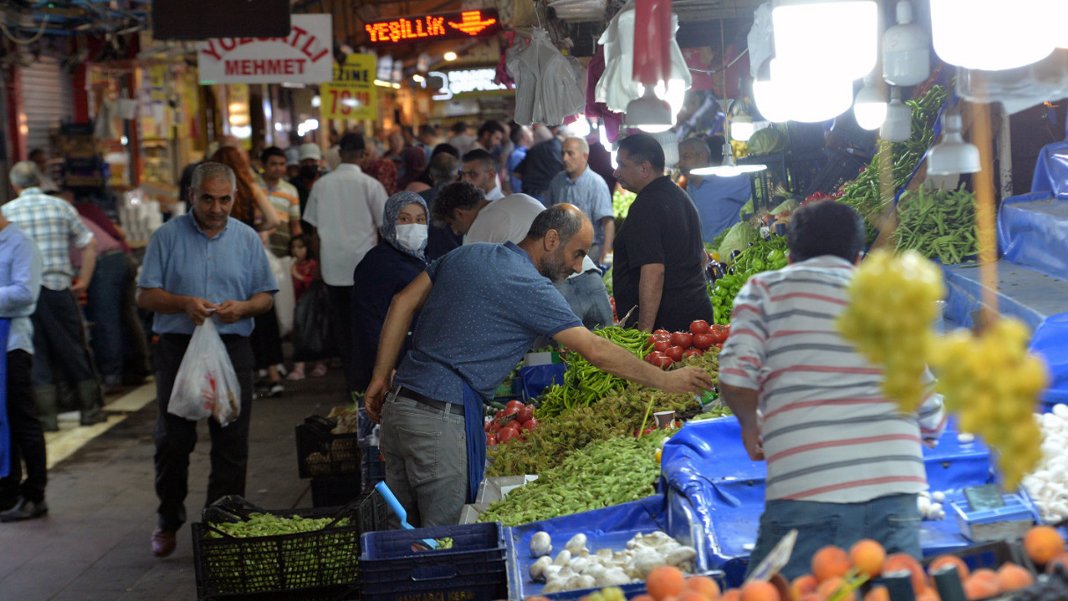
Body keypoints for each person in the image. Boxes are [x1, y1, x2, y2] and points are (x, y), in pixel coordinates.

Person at [363, 205, 714, 526]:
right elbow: (595, 350)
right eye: (577, 253)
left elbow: (401, 302)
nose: (578, 267)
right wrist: (665, 381)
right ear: (550, 240)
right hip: (440, 421)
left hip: (400, 407)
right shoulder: (529, 286)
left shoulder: (467, 254)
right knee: (444, 540)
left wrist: (379, 377)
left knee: (400, 535)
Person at [718, 201, 946, 580]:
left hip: (806, 492)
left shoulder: (765, 290)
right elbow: (927, 406)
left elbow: (736, 377)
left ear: (790, 256)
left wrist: (750, 426)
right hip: (896, 494)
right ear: (857, 257)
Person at [136, 162, 277, 558]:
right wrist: (182, 303)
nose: (216, 208)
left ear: (234, 198)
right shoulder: (166, 236)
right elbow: (144, 295)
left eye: (224, 200)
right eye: (208, 199)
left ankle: (222, 524)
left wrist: (244, 308)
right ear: (192, 195)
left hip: (232, 347)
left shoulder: (247, 239)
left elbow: (266, 296)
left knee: (231, 439)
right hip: (179, 349)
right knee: (172, 440)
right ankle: (168, 519)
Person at [2, 161, 104, 431]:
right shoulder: (61, 207)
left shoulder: (7, 212)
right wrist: (84, 280)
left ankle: (47, 418)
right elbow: (89, 244)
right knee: (72, 347)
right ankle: (90, 411)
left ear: (15, 186)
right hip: (58, 288)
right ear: (40, 181)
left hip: (22, 294)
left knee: (36, 353)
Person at [303, 133, 388, 397]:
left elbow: (313, 232)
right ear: (363, 155)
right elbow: (386, 228)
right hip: (365, 268)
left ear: (339, 154)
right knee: (367, 327)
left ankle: (352, 382)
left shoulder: (320, 186)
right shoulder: (371, 185)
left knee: (342, 329)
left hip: (332, 268)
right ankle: (369, 382)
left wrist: (319, 261)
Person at [612, 133, 713, 332]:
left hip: (667, 330)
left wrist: (644, 335)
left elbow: (653, 272)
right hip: (695, 316)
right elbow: (702, 257)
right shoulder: (680, 195)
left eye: (622, 165)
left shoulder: (646, 206)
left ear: (644, 168)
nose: (616, 173)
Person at [212, 146, 285, 396]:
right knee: (262, 309)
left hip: (222, 253)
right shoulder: (249, 186)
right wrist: (256, 229)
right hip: (248, 251)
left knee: (235, 311)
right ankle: (274, 374)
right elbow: (274, 220)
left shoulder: (216, 194)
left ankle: (248, 376)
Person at [351, 192, 430, 392]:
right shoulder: (377, 264)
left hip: (417, 360)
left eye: (420, 220)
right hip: (396, 363)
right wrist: (386, 369)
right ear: (389, 221)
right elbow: (368, 321)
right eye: (404, 219)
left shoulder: (421, 259)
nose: (414, 226)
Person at [0, 211, 46, 521]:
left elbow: (26, 292)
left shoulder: (20, 243)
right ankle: (8, 490)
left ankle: (35, 493)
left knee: (22, 418)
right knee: (3, 420)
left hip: (13, 345)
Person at [72, 214, 128, 393]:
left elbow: (91, 244)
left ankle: (112, 377)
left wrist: (83, 283)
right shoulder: (66, 210)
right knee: (116, 318)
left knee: (104, 320)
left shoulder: (61, 212)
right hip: (114, 257)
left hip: (105, 260)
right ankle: (126, 371)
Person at [545, 137, 615, 266]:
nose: (565, 158)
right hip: (560, 251)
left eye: (570, 153)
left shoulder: (596, 183)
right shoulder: (557, 181)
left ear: (585, 156)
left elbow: (607, 222)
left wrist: (606, 253)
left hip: (590, 252)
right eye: (563, 154)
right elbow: (547, 216)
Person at [677, 137, 751, 244]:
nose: (680, 164)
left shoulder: (729, 177)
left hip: (736, 254)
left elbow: (760, 201)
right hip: (707, 257)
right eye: (679, 159)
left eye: (686, 157)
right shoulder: (689, 187)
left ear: (702, 157)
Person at [432, 182, 544, 245]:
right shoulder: (520, 198)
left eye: (451, 224)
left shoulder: (478, 231)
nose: (455, 232)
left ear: (459, 214)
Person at [287, 235, 328, 381]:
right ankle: (299, 368)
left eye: (300, 247)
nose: (296, 251)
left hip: (311, 308)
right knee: (297, 337)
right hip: (295, 306)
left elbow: (313, 283)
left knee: (315, 335)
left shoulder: (311, 266)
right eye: (293, 247)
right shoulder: (291, 265)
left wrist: (297, 275)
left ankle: (319, 363)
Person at [259, 146, 303, 257]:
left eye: (282, 164)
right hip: (257, 248)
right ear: (263, 165)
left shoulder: (291, 190)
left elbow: (294, 223)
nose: (278, 168)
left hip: (282, 251)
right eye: (273, 164)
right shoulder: (253, 187)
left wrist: (299, 248)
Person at [420, 153, 463, 261]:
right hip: (460, 261)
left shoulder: (419, 199)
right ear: (457, 176)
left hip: (426, 264)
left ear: (430, 175)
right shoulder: (470, 200)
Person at [516, 126, 564, 204]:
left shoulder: (533, 150)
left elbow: (516, 174)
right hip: (548, 195)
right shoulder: (559, 148)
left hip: (529, 195)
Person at [507, 125, 533, 194]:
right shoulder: (518, 155)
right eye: (530, 131)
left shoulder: (522, 153)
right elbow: (517, 182)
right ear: (524, 136)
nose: (532, 133)